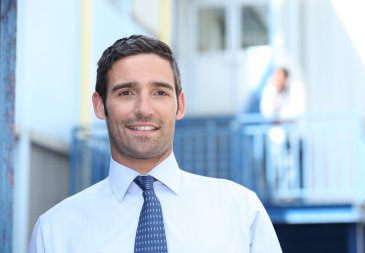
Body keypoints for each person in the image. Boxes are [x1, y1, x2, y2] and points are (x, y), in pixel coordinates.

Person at [28, 35, 282, 252]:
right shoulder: (54, 231)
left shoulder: (242, 212)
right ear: (99, 105)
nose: (143, 109)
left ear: (180, 105)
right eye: (126, 92)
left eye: (159, 92)